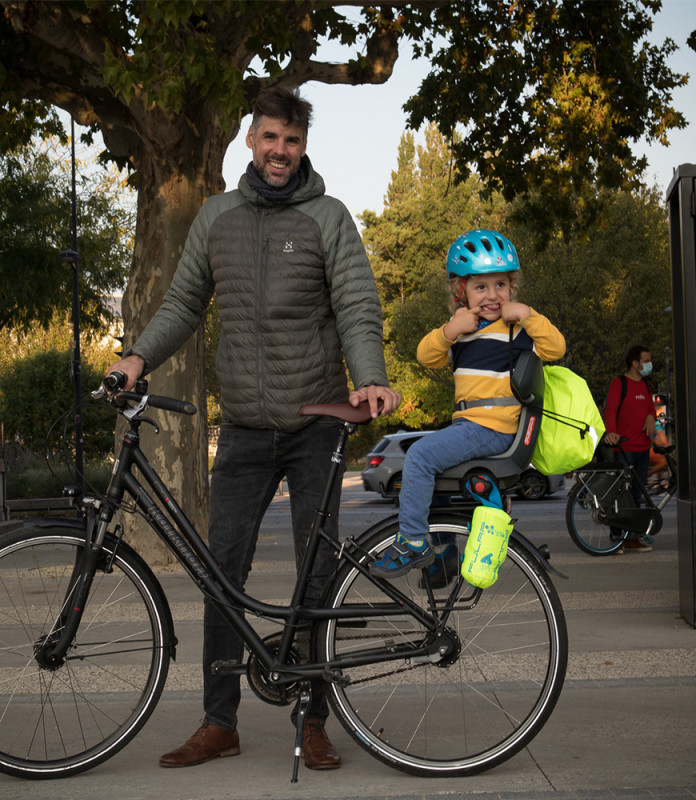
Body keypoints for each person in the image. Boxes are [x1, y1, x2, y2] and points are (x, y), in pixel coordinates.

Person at [108, 87, 401, 770]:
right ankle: (220, 722)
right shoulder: (216, 217)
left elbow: (357, 303)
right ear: (250, 138)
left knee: (316, 571)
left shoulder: (328, 217)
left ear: (303, 147)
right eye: (270, 137)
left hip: (315, 421)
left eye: (292, 141)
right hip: (241, 426)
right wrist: (137, 355)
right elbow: (183, 301)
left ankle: (316, 717)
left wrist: (371, 375)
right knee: (221, 573)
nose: (280, 151)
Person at [370, 229, 565, 577]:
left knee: (419, 456)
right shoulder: (461, 332)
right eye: (480, 287)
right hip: (470, 427)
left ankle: (413, 542)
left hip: (495, 427)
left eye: (501, 286)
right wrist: (450, 330)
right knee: (433, 472)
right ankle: (443, 556)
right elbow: (425, 356)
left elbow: (556, 349)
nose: (492, 296)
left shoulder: (516, 330)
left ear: (512, 288)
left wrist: (529, 315)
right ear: (461, 291)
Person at [603, 344, 656, 551]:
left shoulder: (646, 386)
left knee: (636, 495)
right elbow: (611, 410)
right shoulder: (619, 383)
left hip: (643, 448)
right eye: (646, 361)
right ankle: (615, 538)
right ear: (635, 363)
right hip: (624, 449)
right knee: (620, 494)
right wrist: (612, 432)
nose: (649, 364)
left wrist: (651, 415)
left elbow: (650, 407)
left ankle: (632, 538)